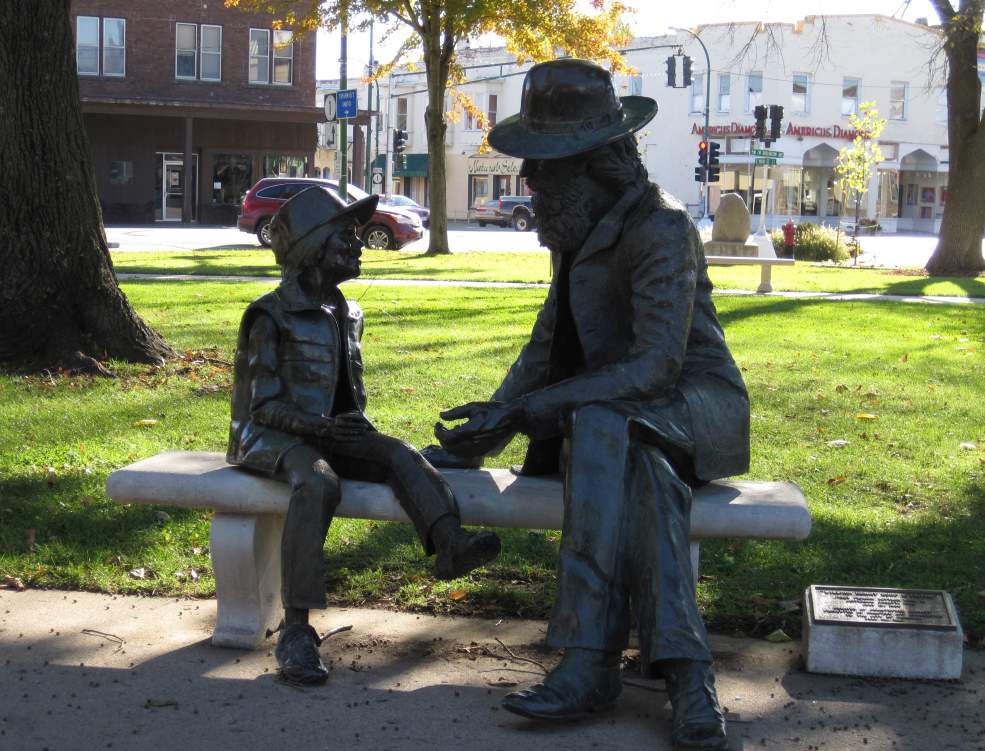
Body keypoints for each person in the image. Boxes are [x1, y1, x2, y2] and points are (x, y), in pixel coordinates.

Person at [427, 59, 749, 751]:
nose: (529, 182)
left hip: (692, 404)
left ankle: (588, 660)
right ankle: (687, 676)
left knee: (605, 424)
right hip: (622, 424)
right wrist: (486, 429)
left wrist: (525, 413)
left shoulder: (659, 227)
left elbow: (656, 366)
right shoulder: (577, 230)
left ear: (594, 162)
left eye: (545, 165)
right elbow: (547, 343)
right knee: (630, 458)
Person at [227, 186, 501, 685]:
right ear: (312, 248)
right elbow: (262, 407)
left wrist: (352, 431)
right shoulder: (271, 315)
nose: (357, 245)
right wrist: (321, 428)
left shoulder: (346, 311)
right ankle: (296, 631)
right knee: (318, 483)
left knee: (399, 453)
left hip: (331, 432)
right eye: (344, 237)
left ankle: (450, 542)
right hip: (272, 436)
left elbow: (347, 394)